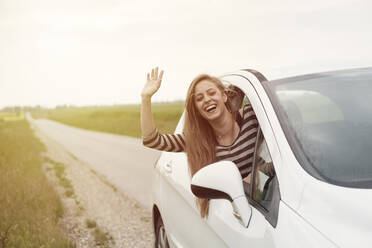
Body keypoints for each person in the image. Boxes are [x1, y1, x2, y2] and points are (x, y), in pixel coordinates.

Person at [141, 67, 258, 217]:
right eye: (199, 98)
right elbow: (152, 140)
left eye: (211, 93)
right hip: (234, 215)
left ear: (224, 96)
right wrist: (146, 98)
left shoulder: (251, 116)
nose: (207, 100)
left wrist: (257, 178)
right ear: (196, 108)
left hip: (266, 205)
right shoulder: (196, 141)